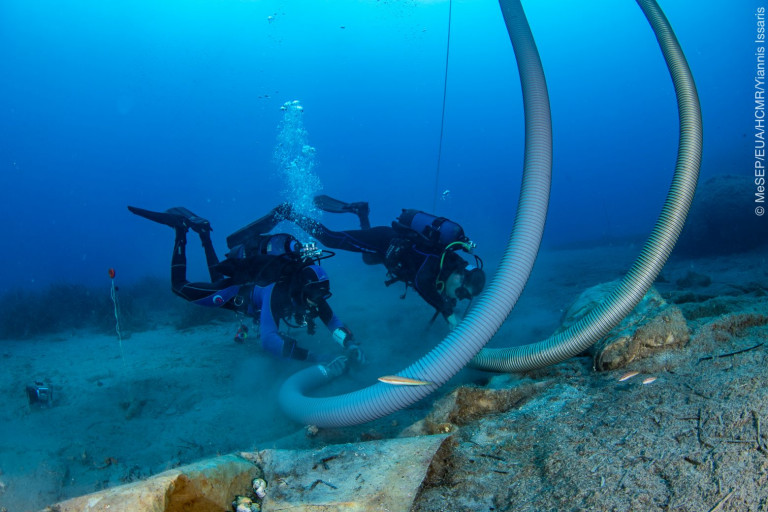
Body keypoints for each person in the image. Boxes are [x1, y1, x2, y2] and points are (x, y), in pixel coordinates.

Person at [127, 205, 363, 366]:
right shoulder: (277, 290)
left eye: (323, 293)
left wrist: (349, 344)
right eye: (315, 292)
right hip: (238, 294)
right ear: (303, 286)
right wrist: (317, 358)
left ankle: (203, 234)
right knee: (179, 287)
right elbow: (269, 341)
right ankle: (180, 230)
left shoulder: (314, 294)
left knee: (217, 276)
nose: (318, 299)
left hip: (247, 287)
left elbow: (333, 323)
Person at [230, 196, 486, 329]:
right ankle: (290, 212)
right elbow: (421, 281)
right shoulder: (437, 262)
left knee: (366, 259)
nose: (459, 296)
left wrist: (447, 306)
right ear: (460, 275)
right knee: (329, 239)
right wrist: (447, 311)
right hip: (384, 241)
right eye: (462, 291)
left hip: (388, 255)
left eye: (463, 297)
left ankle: (361, 212)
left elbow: (429, 286)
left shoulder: (448, 268)